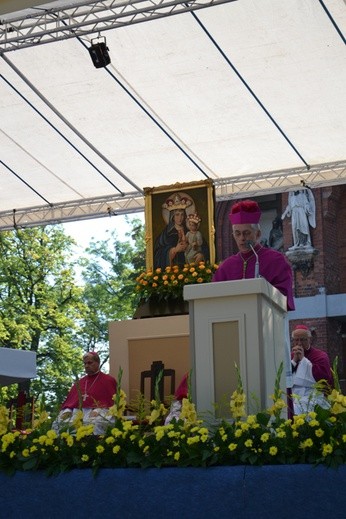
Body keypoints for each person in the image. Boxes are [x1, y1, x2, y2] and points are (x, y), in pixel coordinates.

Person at [212, 199, 295, 311]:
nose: (242, 238)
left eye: (246, 233)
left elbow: (283, 297)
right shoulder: (225, 267)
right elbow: (213, 300)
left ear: (258, 234)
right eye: (237, 233)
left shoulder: (276, 260)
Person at [53, 351, 117, 434]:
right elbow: (71, 402)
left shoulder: (108, 380)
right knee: (60, 422)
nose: (86, 366)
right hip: (77, 412)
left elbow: (111, 403)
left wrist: (98, 410)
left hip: (99, 411)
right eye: (85, 363)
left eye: (90, 363)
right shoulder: (79, 383)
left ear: (97, 363)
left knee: (94, 423)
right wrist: (67, 410)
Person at [154, 192, 209, 268]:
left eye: (182, 214)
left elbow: (205, 248)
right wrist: (174, 250)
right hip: (174, 270)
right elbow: (157, 253)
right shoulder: (167, 234)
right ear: (172, 217)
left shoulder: (192, 231)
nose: (180, 218)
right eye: (177, 215)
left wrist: (199, 252)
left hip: (191, 267)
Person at [290, 324, 333, 414]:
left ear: (309, 339)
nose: (299, 343)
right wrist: (294, 361)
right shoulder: (290, 356)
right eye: (296, 340)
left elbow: (323, 378)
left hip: (314, 396)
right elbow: (285, 377)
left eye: (302, 339)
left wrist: (303, 360)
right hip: (294, 396)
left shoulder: (321, 356)